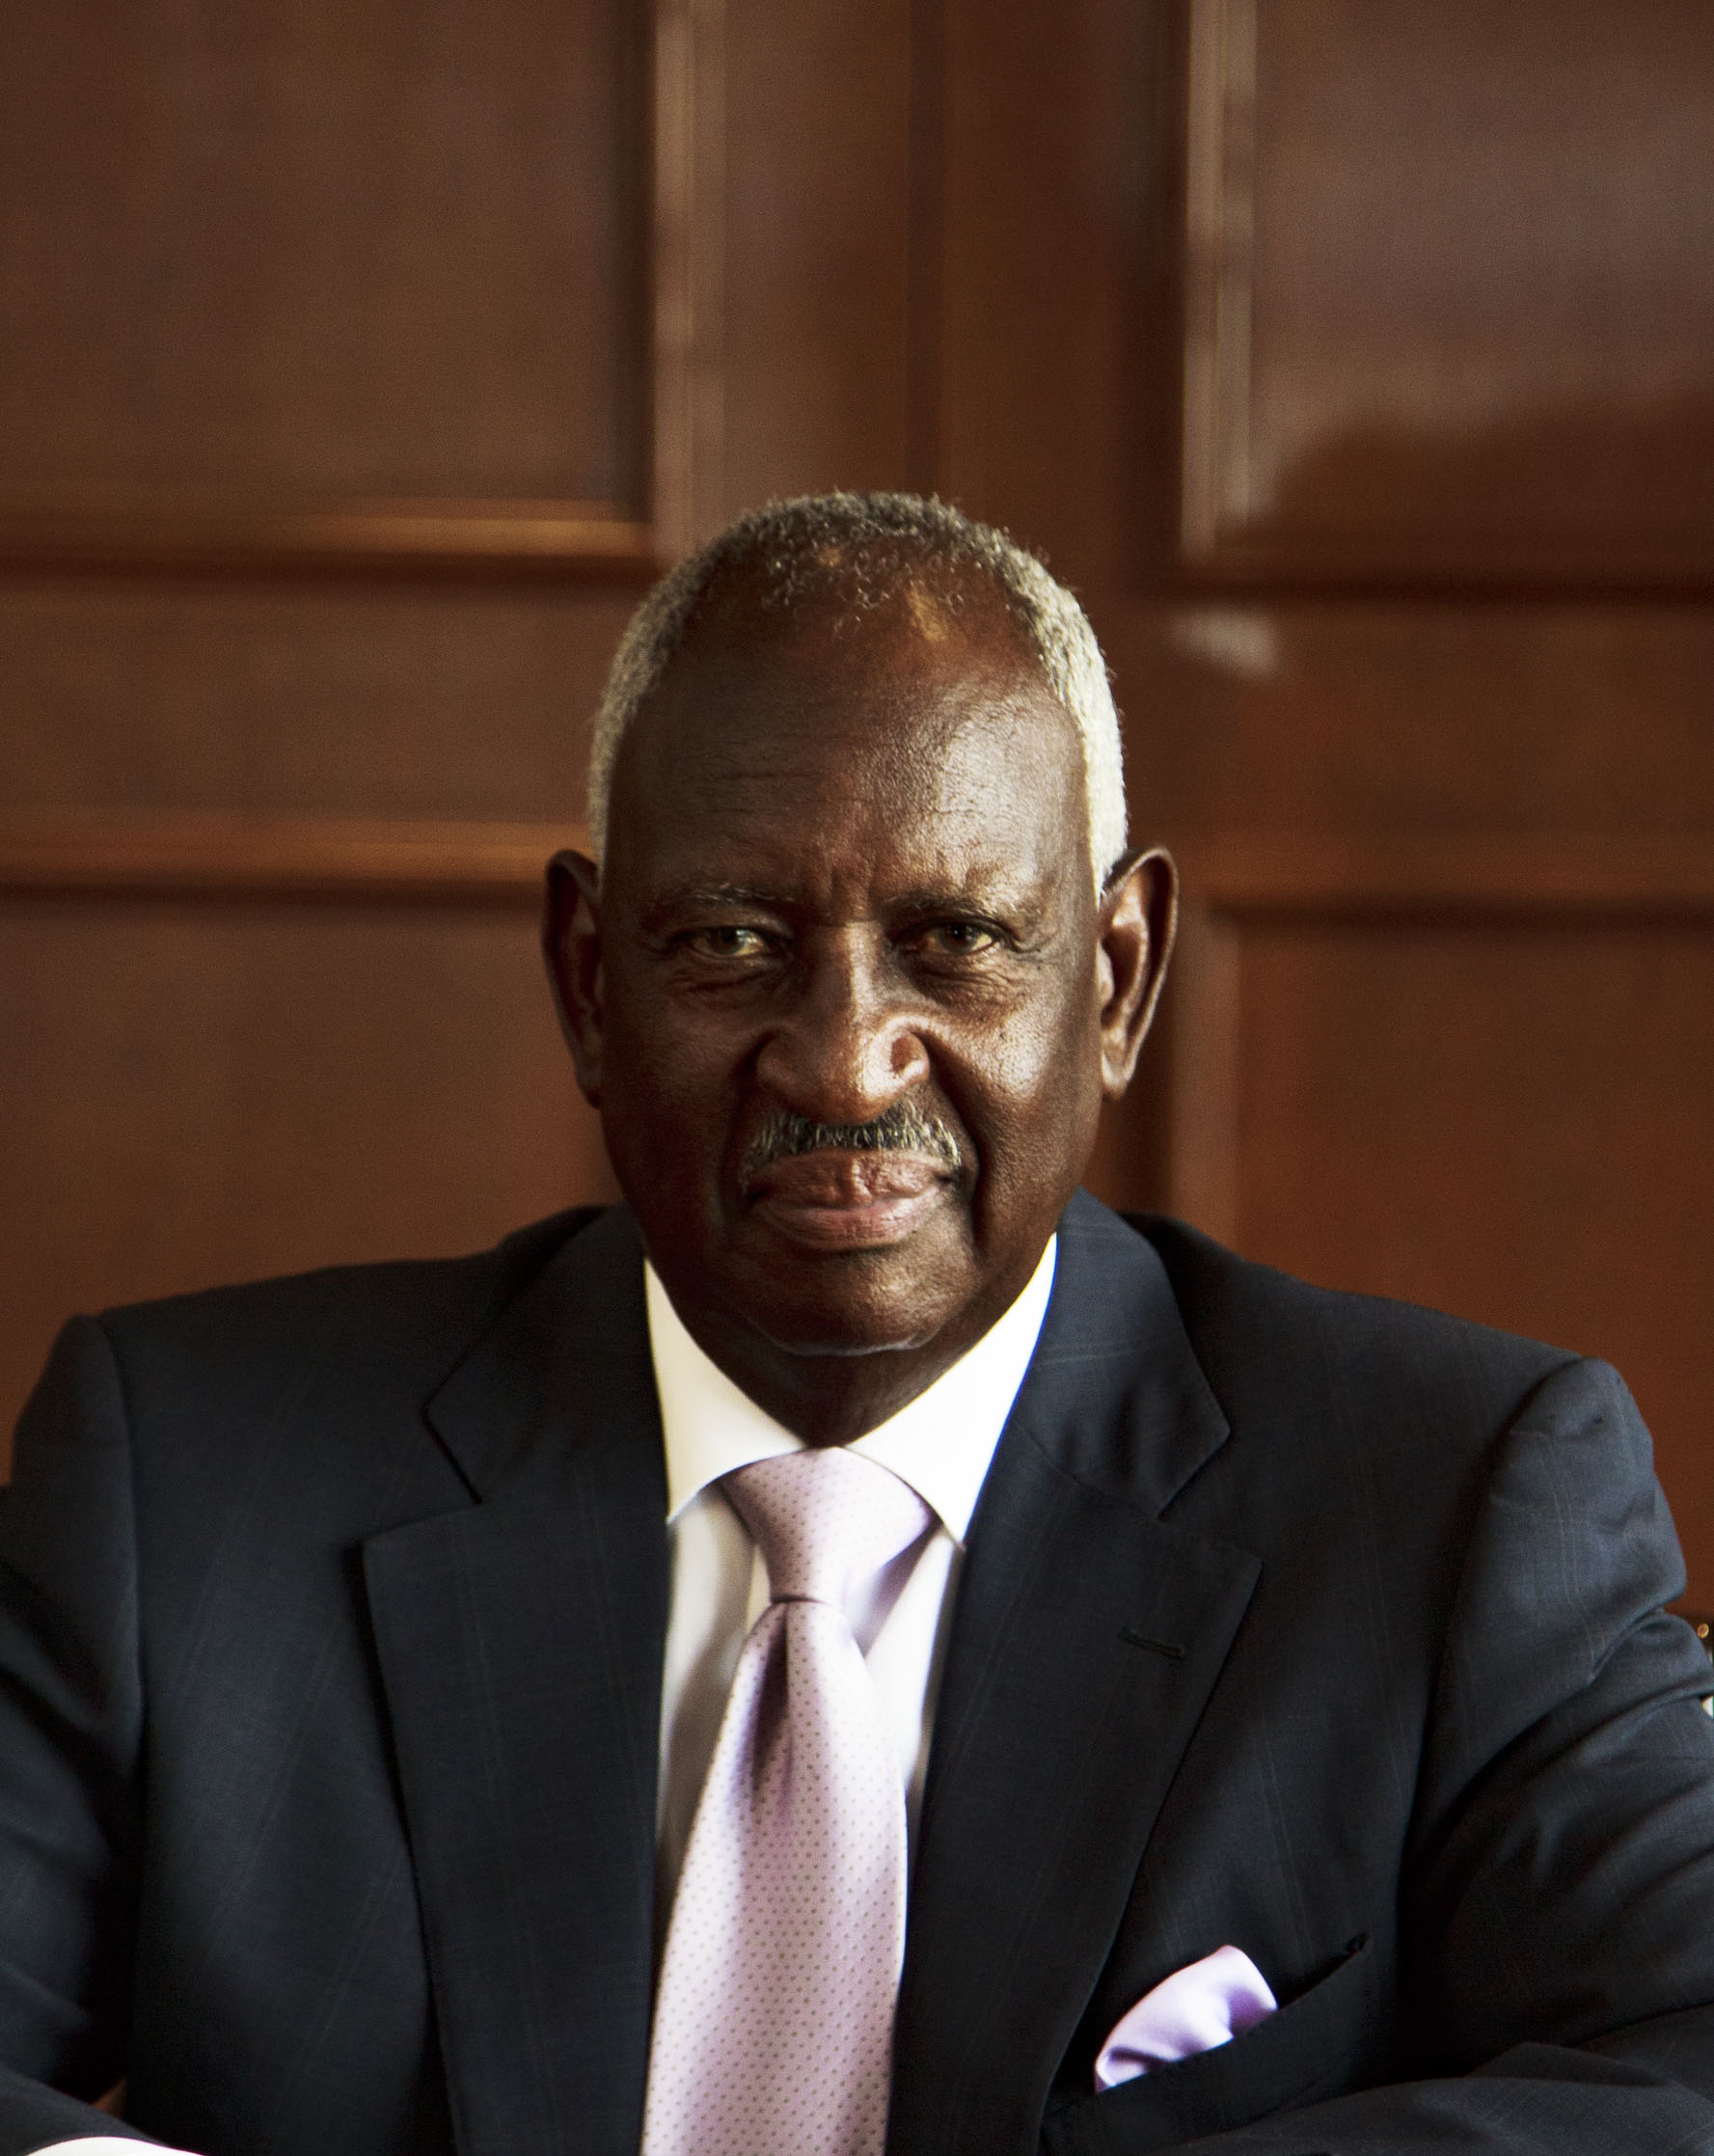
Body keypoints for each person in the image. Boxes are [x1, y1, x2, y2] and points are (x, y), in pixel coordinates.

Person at [3, 491, 1714, 2156]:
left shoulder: (1451, 1512)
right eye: (731, 941)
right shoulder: (183, 1486)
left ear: (1115, 979)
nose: (842, 1061)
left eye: (956, 940)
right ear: (589, 982)